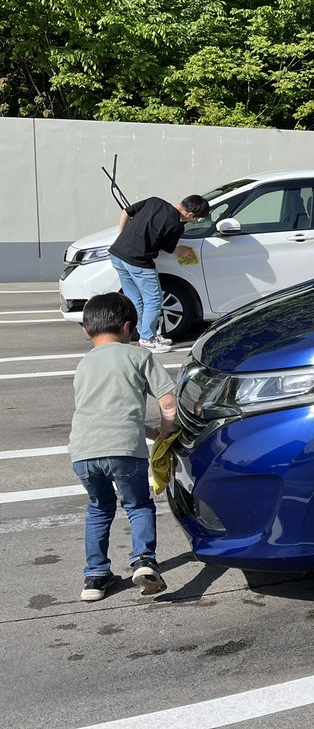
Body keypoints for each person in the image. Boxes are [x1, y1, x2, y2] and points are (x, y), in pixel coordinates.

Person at [69, 292, 177, 602]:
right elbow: (168, 401)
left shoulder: (84, 364)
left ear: (86, 331)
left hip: (84, 453)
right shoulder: (139, 356)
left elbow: (104, 413)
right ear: (129, 328)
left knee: (99, 509)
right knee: (138, 505)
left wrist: (151, 432)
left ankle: (95, 576)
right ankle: (143, 561)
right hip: (125, 452)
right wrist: (167, 429)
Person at [108, 193, 210, 353]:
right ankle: (148, 339)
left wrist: (121, 236)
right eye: (195, 219)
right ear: (190, 214)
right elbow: (167, 248)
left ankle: (146, 336)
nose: (193, 221)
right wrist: (180, 250)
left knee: (135, 299)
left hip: (117, 255)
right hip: (138, 261)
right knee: (154, 299)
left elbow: (125, 212)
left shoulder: (154, 200)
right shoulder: (176, 225)